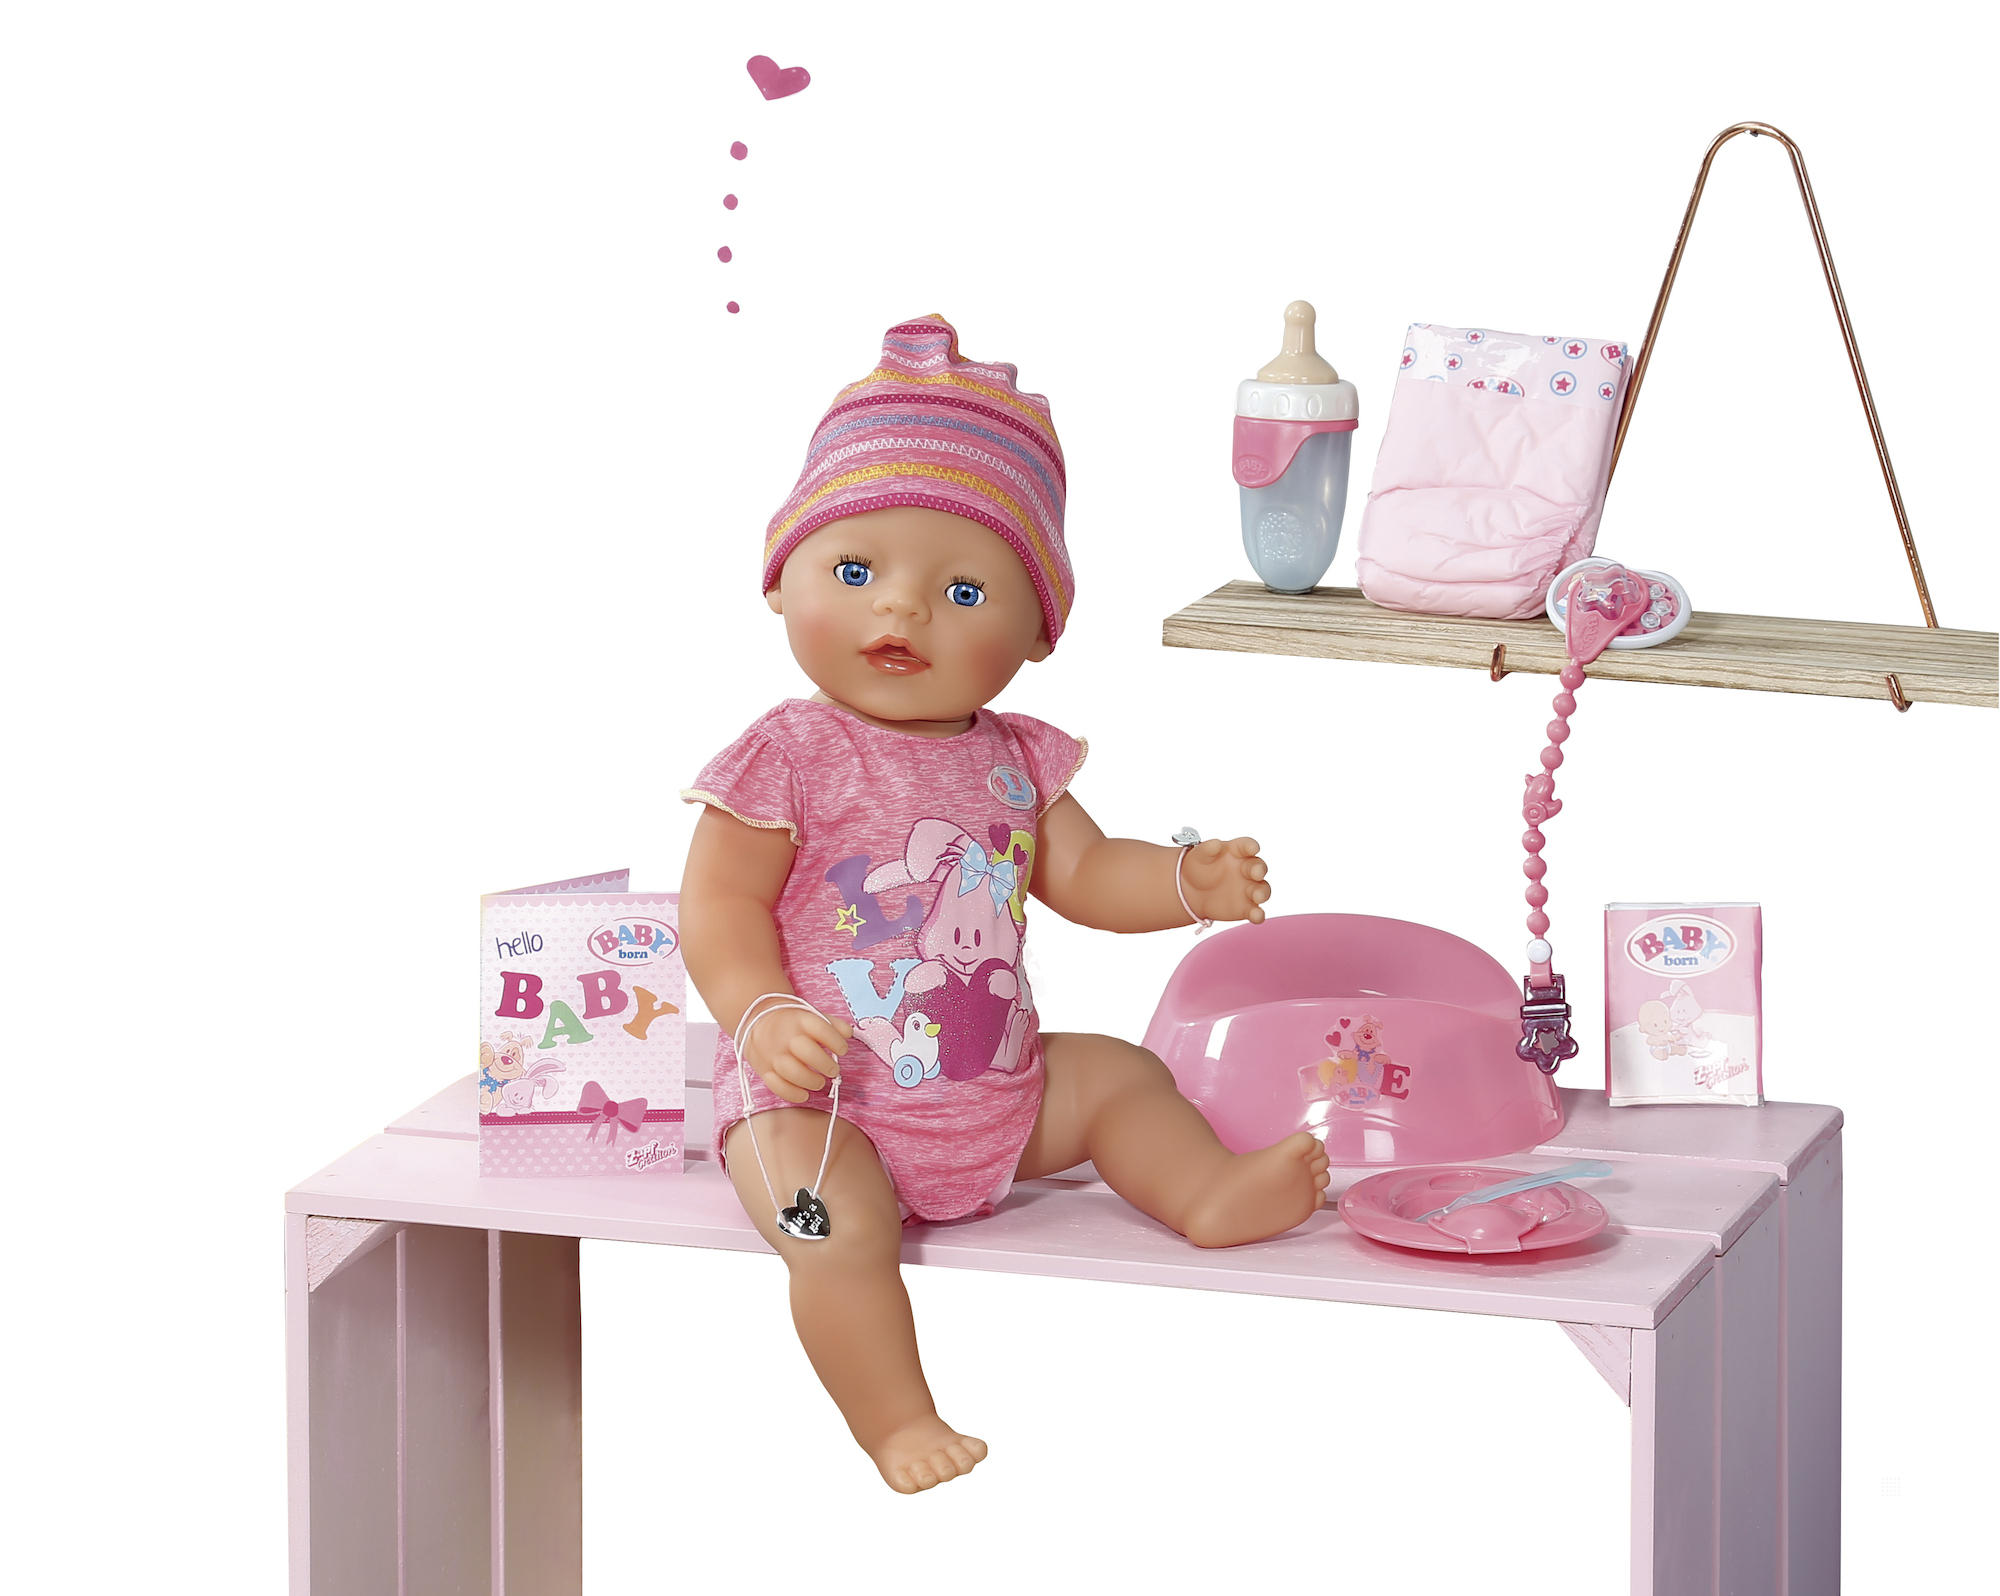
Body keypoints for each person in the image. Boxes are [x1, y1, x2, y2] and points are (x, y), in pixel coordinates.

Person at [678, 315, 1329, 1494]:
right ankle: (894, 1419)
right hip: (823, 1106)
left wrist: (1180, 881)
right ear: (780, 582)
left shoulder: (1015, 758)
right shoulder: (789, 755)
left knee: (1120, 1078)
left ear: (1035, 632)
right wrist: (758, 1010)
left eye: (965, 588)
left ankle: (1205, 1191)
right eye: (855, 572)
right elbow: (718, 906)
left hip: (999, 1094)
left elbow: (1081, 874)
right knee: (833, 1228)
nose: (903, 611)